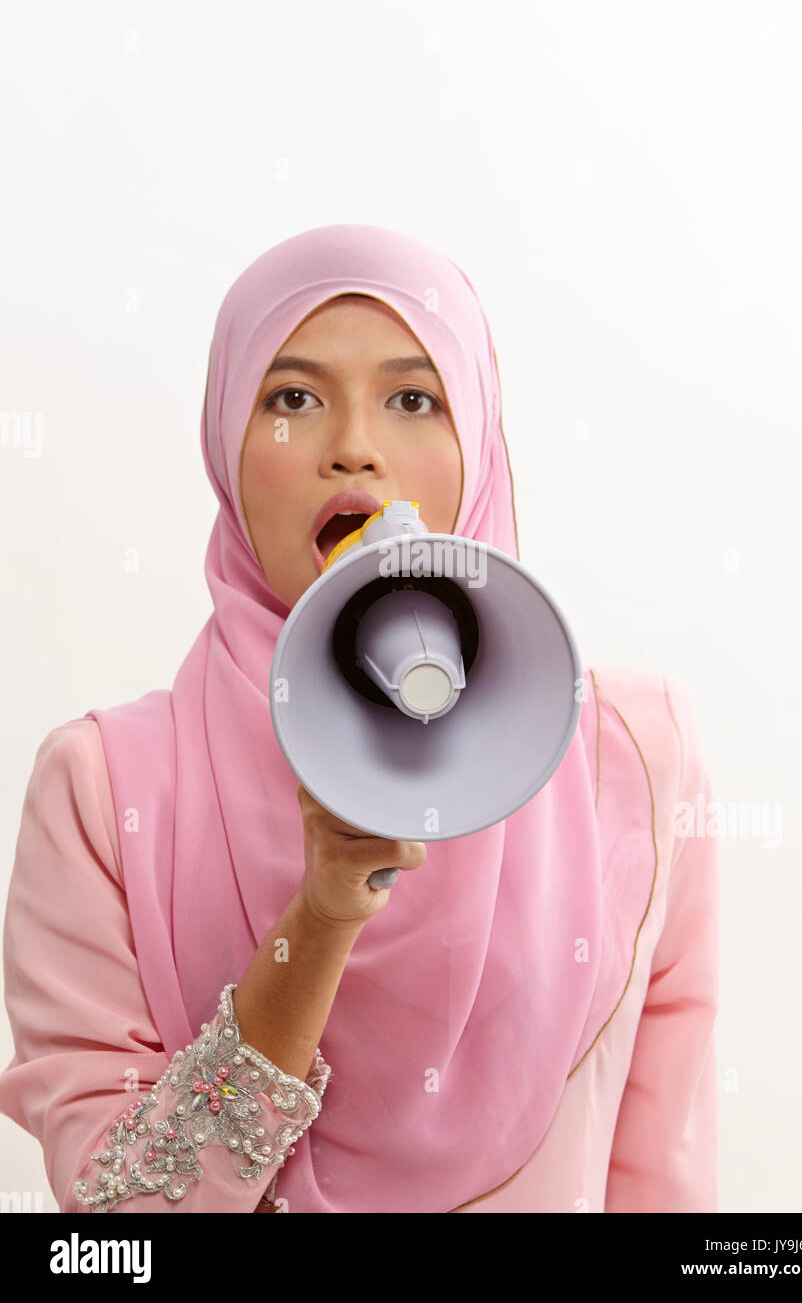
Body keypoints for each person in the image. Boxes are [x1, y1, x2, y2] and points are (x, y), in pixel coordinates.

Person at [0, 223, 719, 1213]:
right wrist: (321, 915)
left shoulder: (632, 756)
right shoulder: (102, 788)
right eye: (291, 398)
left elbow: (665, 1180)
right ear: (223, 443)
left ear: (477, 436)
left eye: (414, 398)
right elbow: (118, 1223)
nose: (352, 446)